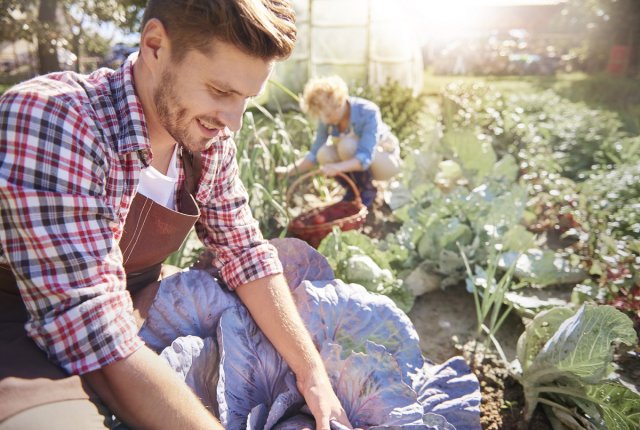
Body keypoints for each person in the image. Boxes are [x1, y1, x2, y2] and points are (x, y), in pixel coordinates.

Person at [0, 1, 353, 429]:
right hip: (24, 325)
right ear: (154, 46)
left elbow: (243, 250)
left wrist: (311, 372)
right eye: (221, 91)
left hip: (134, 308)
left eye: (246, 98)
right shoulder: (56, 117)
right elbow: (92, 331)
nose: (234, 121)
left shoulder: (205, 138)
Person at [277, 75, 400, 208]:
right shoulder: (328, 117)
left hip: (385, 162)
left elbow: (365, 157)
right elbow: (314, 155)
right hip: (361, 160)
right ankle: (353, 191)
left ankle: (367, 190)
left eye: (328, 115)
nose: (325, 121)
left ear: (340, 103)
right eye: (322, 117)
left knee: (347, 145)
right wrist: (287, 171)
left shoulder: (368, 112)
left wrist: (337, 168)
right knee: (323, 153)